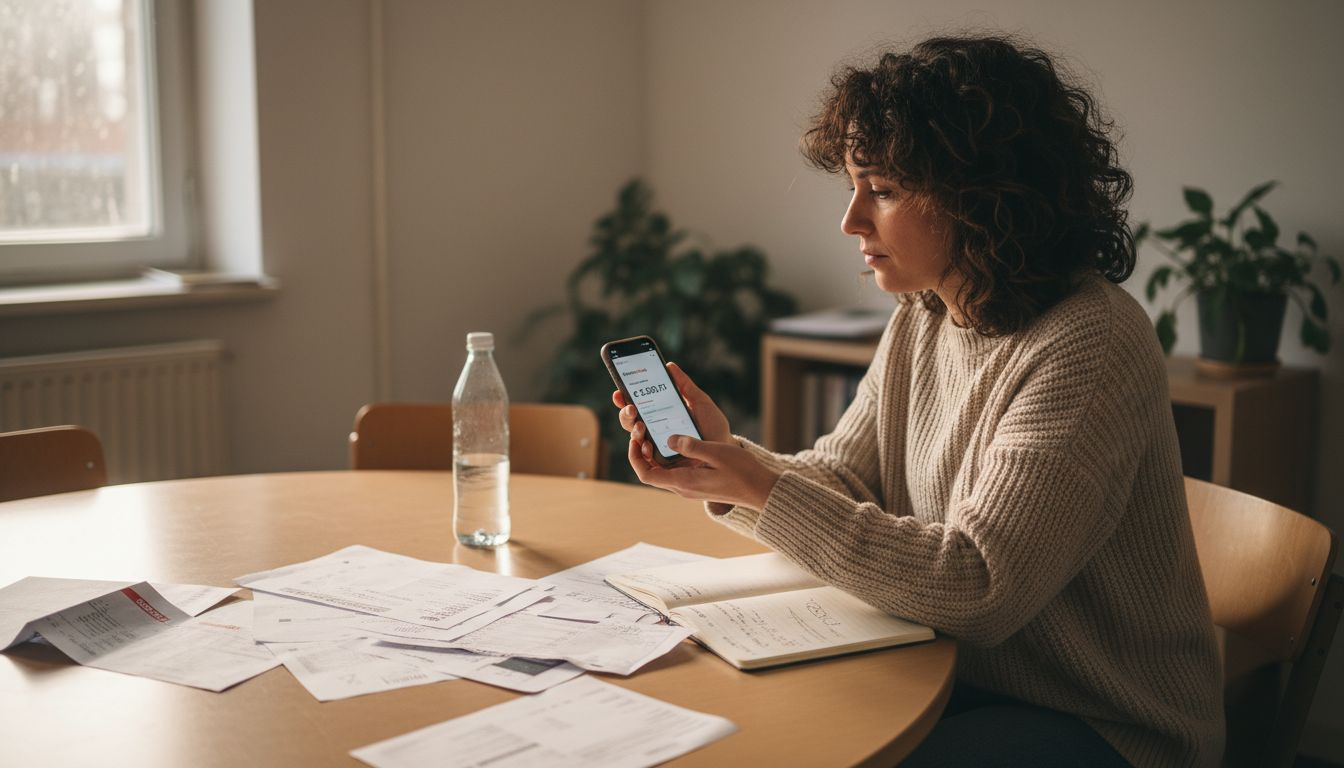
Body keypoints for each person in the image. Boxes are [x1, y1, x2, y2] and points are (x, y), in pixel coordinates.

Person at [612, 35, 1224, 767]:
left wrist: (760, 483)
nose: (852, 221)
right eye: (852, 186)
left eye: (885, 189)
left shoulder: (1089, 343)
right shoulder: (930, 313)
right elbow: (846, 480)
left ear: (984, 195)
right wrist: (730, 462)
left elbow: (979, 586)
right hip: (952, 672)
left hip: (1102, 722)